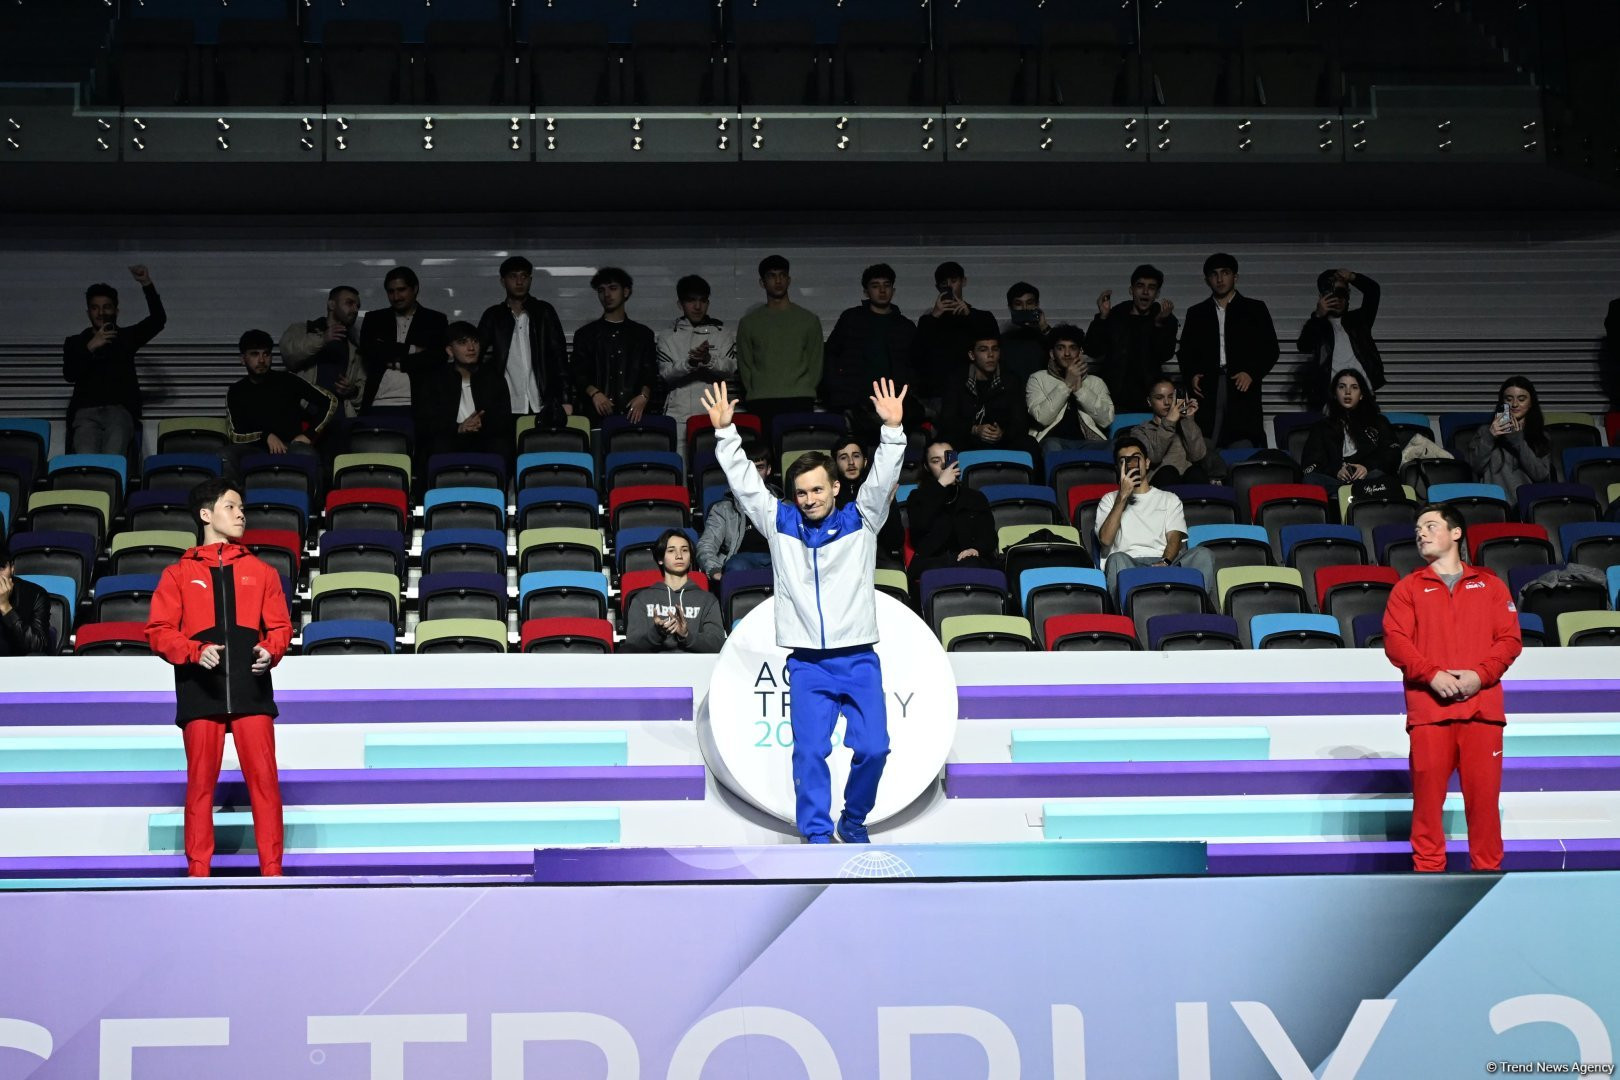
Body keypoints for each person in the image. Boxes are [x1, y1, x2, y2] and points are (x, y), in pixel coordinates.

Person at [702, 377, 907, 844]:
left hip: (858, 659)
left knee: (874, 748)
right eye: (801, 492)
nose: (810, 499)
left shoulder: (863, 519)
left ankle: (853, 821)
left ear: (835, 486)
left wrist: (892, 431)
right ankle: (816, 835)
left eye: (818, 490)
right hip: (808, 665)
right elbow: (748, 486)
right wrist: (725, 434)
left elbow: (880, 481)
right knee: (810, 752)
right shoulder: (780, 524)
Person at [145, 478, 292, 878]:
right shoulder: (178, 574)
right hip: (200, 690)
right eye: (231, 506)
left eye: (242, 507)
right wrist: (194, 651)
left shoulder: (262, 572)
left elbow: (281, 628)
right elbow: (158, 630)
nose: (241, 513)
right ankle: (198, 873)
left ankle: (272, 872)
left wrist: (271, 649)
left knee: (265, 784)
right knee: (200, 787)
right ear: (206, 515)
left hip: (251, 688)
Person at [1382, 502, 1522, 872]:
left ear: (1456, 533)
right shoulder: (1408, 588)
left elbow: (1509, 641)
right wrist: (1432, 675)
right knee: (1427, 804)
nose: (1421, 533)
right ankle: (1428, 877)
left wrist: (1480, 675)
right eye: (1418, 529)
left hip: (1483, 713)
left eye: (1430, 526)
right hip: (1430, 714)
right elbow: (1396, 642)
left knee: (1485, 805)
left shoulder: (1490, 585)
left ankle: (1488, 877)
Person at [1177, 253, 1279, 449]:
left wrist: (1252, 372)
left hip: (1242, 387)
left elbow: (1271, 349)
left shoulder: (1254, 309)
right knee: (1204, 442)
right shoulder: (1197, 313)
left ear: (1235, 277)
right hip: (1208, 386)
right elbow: (1185, 352)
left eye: (1225, 273)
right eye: (1214, 274)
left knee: (1243, 442)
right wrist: (1191, 375)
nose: (1220, 279)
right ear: (1207, 280)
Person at [1093, 435, 1216, 597]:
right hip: (1129, 563)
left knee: (1203, 554)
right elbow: (1105, 540)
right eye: (1124, 461)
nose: (1131, 465)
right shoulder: (1109, 499)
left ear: (1147, 463)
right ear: (1118, 468)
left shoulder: (1169, 498)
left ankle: (1197, 606)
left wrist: (1165, 562)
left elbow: (1174, 538)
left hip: (1165, 561)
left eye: (1136, 459)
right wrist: (1122, 496)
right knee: (1116, 559)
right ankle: (1128, 614)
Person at [63, 265, 166, 455]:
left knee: (113, 459)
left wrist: (146, 283)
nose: (100, 313)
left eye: (106, 307)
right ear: (88, 312)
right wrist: (91, 346)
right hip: (85, 412)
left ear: (116, 311)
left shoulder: (126, 337)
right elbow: (70, 373)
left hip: (119, 411)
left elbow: (158, 320)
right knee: (85, 460)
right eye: (95, 308)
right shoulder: (75, 342)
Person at [222, 329, 337, 483]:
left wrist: (309, 434)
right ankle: (235, 503)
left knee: (308, 455)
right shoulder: (236, 391)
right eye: (255, 354)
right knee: (225, 456)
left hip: (291, 446)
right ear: (243, 359)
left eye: (266, 354)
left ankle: (314, 507)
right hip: (254, 449)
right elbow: (236, 435)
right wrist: (266, 436)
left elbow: (330, 400)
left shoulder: (287, 380)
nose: (261, 360)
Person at [821, 263, 918, 441]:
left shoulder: (905, 326)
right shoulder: (851, 319)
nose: (882, 290)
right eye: (875, 286)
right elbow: (830, 355)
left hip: (895, 402)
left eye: (886, 285)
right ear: (866, 291)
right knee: (858, 456)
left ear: (893, 290)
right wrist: (838, 391)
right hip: (855, 401)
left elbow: (916, 363)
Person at [476, 255, 571, 433]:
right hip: (506, 402)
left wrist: (565, 398)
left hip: (542, 401)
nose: (519, 281)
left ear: (530, 279)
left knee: (540, 454)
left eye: (524, 276)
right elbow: (475, 356)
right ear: (502, 281)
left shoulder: (544, 311)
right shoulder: (493, 315)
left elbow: (559, 356)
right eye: (513, 276)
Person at [736, 254, 824, 435]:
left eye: (782, 275)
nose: (778, 280)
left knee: (798, 457)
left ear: (789, 280)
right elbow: (745, 364)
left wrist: (806, 388)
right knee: (766, 457)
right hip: (762, 400)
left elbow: (816, 362)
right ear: (762, 282)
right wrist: (755, 389)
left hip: (800, 398)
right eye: (772, 276)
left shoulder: (808, 320)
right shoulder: (749, 323)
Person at [657, 273, 738, 459]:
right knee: (681, 468)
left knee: (714, 468)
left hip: (714, 413)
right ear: (680, 304)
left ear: (708, 303)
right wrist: (690, 362)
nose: (697, 306)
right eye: (691, 301)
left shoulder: (722, 333)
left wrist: (709, 359)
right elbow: (665, 374)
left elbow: (730, 368)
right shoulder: (668, 336)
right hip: (678, 415)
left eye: (702, 300)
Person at [356, 266, 449, 419]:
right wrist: (412, 349)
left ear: (415, 289)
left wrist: (394, 358)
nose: (396, 296)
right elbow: (370, 352)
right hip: (378, 401)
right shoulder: (374, 319)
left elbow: (437, 358)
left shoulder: (435, 320)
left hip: (420, 403)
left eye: (401, 290)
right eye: (391, 291)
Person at [909, 260, 1000, 412]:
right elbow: (918, 355)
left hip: (973, 390)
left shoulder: (982, 317)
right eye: (944, 283)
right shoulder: (929, 320)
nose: (950, 286)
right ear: (938, 287)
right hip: (938, 392)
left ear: (963, 281)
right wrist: (935, 315)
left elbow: (994, 349)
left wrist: (969, 316)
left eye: (954, 281)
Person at [573, 266, 657, 427]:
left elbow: (650, 371)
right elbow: (577, 373)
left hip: (633, 414)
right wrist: (594, 393)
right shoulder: (585, 334)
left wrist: (643, 396)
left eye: (613, 288)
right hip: (596, 415)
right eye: (601, 290)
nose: (607, 295)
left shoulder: (642, 334)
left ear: (626, 292)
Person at [907, 439, 998, 585]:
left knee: (973, 566)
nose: (944, 465)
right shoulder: (918, 497)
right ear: (927, 467)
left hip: (971, 561)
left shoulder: (975, 497)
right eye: (936, 461)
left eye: (948, 458)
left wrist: (976, 549)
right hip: (933, 563)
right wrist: (940, 486)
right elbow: (919, 531)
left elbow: (990, 537)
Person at [620, 529, 726, 654]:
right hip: (653, 669)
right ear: (660, 559)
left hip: (695, 669)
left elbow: (717, 645)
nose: (679, 555)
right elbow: (631, 647)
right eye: (671, 550)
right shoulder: (642, 599)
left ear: (691, 558)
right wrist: (657, 633)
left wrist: (686, 635)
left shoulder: (708, 600)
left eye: (684, 550)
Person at [1087, 264, 1178, 409]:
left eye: (1152, 287)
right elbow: (1093, 349)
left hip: (1149, 396)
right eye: (1140, 286)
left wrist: (1159, 324)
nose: (1146, 292)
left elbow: (1164, 354)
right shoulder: (1116, 315)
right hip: (1113, 395)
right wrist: (1102, 317)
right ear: (1131, 290)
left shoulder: (1166, 318)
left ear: (1157, 294)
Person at [1293, 268, 1384, 411]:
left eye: (1342, 293)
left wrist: (1353, 277)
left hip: (1363, 396)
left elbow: (1373, 291)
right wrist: (1317, 315)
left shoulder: (1359, 321)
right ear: (1322, 296)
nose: (1337, 299)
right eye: (1331, 294)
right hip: (1331, 400)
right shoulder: (1320, 326)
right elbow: (1304, 345)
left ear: (1348, 296)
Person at [421, 321, 513, 460]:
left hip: (485, 439)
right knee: (437, 446)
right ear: (450, 351)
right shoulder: (436, 380)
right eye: (463, 342)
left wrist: (481, 424)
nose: (471, 348)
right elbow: (428, 422)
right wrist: (459, 428)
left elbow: (503, 420)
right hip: (450, 440)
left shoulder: (493, 379)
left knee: (501, 446)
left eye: (475, 342)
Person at [1300, 368, 1402, 494]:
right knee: (1310, 480)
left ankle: (1356, 492)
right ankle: (1349, 493)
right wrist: (1336, 470)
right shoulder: (1321, 427)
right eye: (1342, 387)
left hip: (1368, 479)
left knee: (1383, 478)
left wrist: (1366, 467)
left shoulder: (1378, 422)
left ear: (1361, 395)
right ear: (1335, 393)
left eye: (1354, 387)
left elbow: (1393, 454)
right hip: (1335, 483)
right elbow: (1310, 463)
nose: (1347, 392)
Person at [938, 334, 1038, 459]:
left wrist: (1002, 433)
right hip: (968, 438)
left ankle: (1028, 478)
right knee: (947, 444)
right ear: (972, 355)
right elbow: (947, 420)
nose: (990, 355)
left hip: (1002, 440)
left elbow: (1020, 421)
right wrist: (974, 429)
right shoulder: (957, 379)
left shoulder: (1010, 380)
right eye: (983, 350)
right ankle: (950, 479)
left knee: (1029, 444)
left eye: (995, 349)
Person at [1025, 324, 1114, 455]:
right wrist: (1067, 384)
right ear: (1052, 353)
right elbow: (1042, 418)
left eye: (1072, 348)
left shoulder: (1096, 382)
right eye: (1061, 348)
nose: (1067, 353)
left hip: (1089, 442)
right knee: (1052, 446)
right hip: (1052, 440)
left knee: (1117, 446)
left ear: (1080, 352)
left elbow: (1106, 419)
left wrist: (1079, 390)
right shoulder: (1037, 378)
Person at [698, 441, 779, 582]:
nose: (753, 474)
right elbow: (706, 545)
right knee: (736, 566)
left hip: (776, 562)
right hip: (740, 563)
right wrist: (714, 570)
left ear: (769, 470)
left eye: (759, 468)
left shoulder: (783, 505)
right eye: (748, 469)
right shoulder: (723, 509)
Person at [280, 285, 364, 418]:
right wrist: (322, 340)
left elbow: (363, 389)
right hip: (305, 417)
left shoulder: (355, 347)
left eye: (357, 306)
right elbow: (289, 356)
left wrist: (352, 391)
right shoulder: (302, 330)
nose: (355, 310)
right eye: (349, 303)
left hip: (340, 420)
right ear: (331, 304)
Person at [1464, 375, 1552, 501]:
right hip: (1494, 502)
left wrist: (1518, 442)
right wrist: (1490, 437)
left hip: (1527, 503)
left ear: (1531, 402)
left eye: (1521, 399)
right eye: (1509, 399)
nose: (1515, 404)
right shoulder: (1485, 431)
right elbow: (1474, 467)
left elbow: (1540, 475)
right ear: (1502, 402)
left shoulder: (1540, 435)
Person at [1131, 377, 1223, 486]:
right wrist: (1168, 423)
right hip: (1160, 485)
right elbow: (1155, 457)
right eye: (1159, 398)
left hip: (1188, 482)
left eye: (1171, 397)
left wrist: (1187, 419)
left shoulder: (1184, 425)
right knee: (1168, 472)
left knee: (1196, 472)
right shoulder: (1140, 431)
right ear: (1149, 401)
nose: (1167, 402)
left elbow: (1197, 456)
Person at [832, 435, 905, 567]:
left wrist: (887, 506)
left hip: (876, 558)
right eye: (843, 457)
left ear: (865, 462)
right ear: (836, 464)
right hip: (841, 560)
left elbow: (896, 541)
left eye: (856, 456)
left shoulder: (879, 491)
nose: (851, 462)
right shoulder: (830, 494)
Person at [0, 540, 53, 656]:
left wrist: (5, 607)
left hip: (20, 666)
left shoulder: (35, 595)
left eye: (1, 568)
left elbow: (38, 646)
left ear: (12, 568)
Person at [999, 281, 1051, 387]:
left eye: (1029, 303)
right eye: (1018, 304)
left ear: (1037, 305)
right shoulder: (1002, 340)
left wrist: (1044, 326)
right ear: (1010, 307)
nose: (1025, 308)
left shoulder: (1045, 336)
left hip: (1042, 393)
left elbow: (1061, 352)